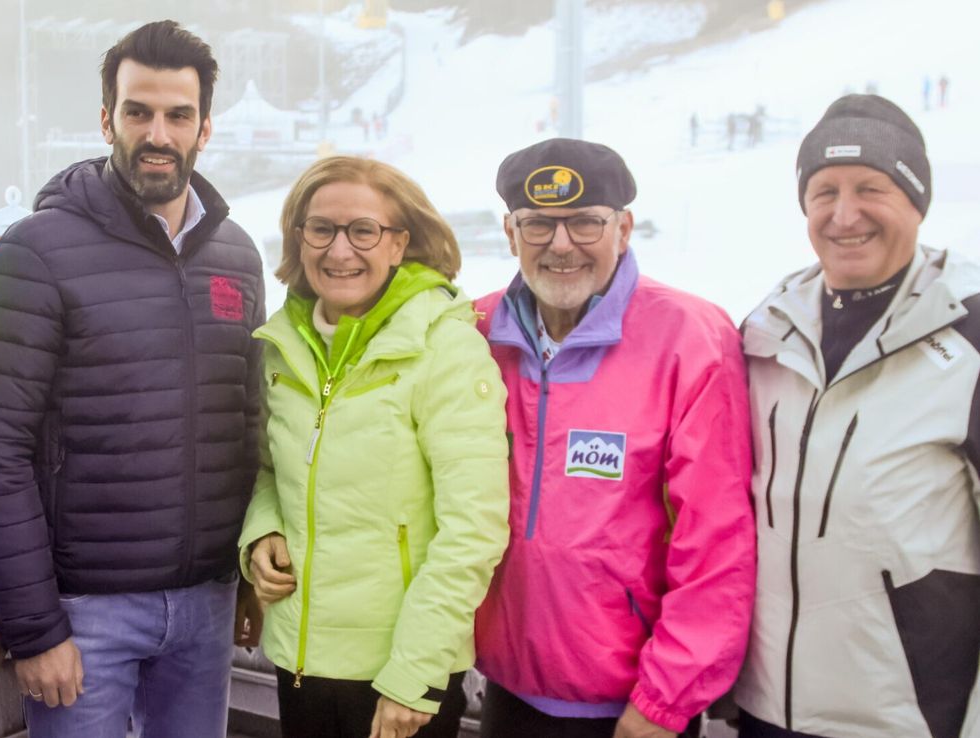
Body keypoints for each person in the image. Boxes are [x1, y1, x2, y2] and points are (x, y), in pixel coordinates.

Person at [0, 20, 264, 738]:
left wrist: (245, 574)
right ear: (107, 120)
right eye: (138, 112)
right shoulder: (39, 250)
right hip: (84, 612)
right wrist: (34, 627)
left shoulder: (237, 256)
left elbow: (248, 426)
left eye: (177, 115)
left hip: (207, 605)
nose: (157, 133)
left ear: (204, 127)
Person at [472, 138, 755, 738]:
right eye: (539, 225)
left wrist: (664, 700)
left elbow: (716, 539)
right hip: (506, 686)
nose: (561, 244)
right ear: (510, 232)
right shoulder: (475, 334)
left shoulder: (688, 338)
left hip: (630, 706)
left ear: (623, 229)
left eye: (585, 223)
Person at [735, 94, 980, 738]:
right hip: (765, 708)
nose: (845, 215)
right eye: (824, 192)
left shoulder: (970, 335)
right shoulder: (766, 333)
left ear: (916, 203)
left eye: (872, 188)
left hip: (905, 716)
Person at [239, 155, 509, 738]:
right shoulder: (284, 346)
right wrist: (260, 534)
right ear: (299, 238)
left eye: (363, 230)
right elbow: (269, 471)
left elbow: (474, 530)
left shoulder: (446, 350)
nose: (340, 251)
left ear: (399, 243)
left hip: (396, 672)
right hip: (301, 657)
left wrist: (416, 672)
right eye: (321, 229)